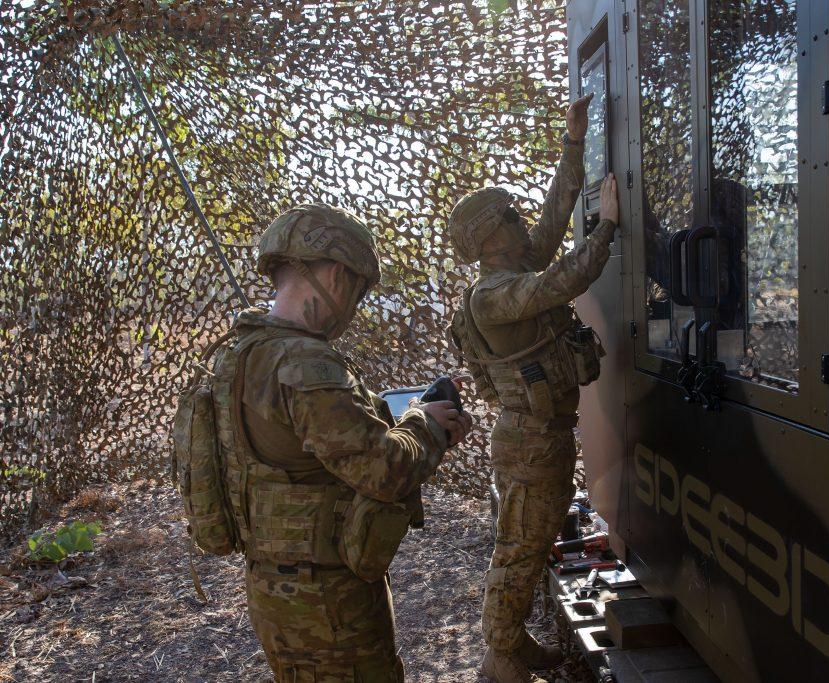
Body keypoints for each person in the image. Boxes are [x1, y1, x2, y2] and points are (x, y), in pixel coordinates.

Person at [214, 204, 472, 681]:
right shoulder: (306, 365)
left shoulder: (240, 354)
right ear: (335, 275)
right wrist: (428, 426)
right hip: (328, 601)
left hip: (274, 590)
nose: (353, 307)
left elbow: (302, 450)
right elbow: (384, 472)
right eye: (357, 291)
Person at [446, 95, 619, 683]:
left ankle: (512, 643)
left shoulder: (514, 269)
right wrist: (609, 227)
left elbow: (552, 216)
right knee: (520, 548)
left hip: (539, 436)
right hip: (531, 439)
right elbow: (566, 276)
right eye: (510, 217)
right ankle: (500, 656)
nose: (523, 222)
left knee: (527, 540)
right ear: (489, 234)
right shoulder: (492, 295)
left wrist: (574, 143)